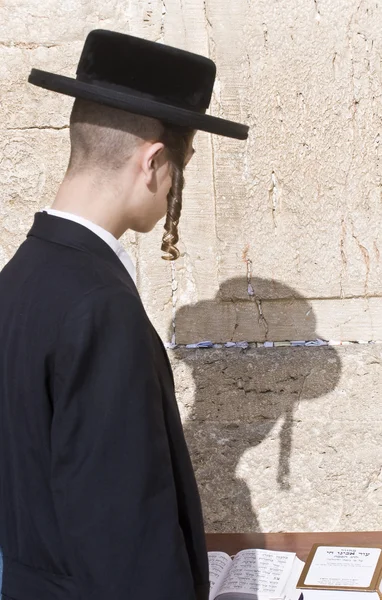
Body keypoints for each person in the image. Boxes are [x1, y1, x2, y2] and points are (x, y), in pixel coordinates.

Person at [0, 30, 248, 600]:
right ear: (154, 161)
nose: (173, 189)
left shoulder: (23, 275)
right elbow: (124, 534)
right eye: (181, 167)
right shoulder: (98, 304)